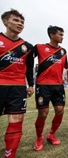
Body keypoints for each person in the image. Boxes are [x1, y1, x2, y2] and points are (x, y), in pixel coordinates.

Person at [0, 9, 34, 158]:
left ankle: (10, 154)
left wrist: (31, 84)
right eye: (15, 20)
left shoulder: (27, 46)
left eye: (22, 22)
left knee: (17, 120)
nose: (20, 24)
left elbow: (29, 68)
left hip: (18, 87)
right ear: (5, 21)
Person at [33, 26, 68, 151]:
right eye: (60, 34)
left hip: (58, 86)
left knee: (60, 111)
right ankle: (39, 138)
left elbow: (67, 66)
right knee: (43, 113)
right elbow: (27, 59)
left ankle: (51, 134)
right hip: (43, 85)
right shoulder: (39, 47)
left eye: (62, 35)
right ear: (52, 35)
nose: (62, 37)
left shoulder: (63, 51)